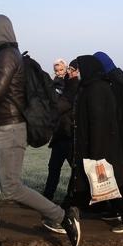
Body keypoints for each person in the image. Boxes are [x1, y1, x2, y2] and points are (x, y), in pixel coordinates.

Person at [0, 14, 80, 246]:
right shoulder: (1, 56)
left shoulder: (7, 56)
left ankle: (63, 216)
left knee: (11, 186)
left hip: (10, 129)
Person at [68, 55, 123, 233]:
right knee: (104, 183)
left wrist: (96, 154)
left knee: (112, 183)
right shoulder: (93, 87)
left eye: (78, 69)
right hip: (100, 146)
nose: (76, 73)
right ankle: (68, 213)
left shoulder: (97, 89)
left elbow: (98, 122)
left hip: (102, 147)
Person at [42, 59, 80, 200]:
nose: (59, 73)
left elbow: (59, 105)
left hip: (68, 132)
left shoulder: (70, 85)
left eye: (62, 70)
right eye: (57, 70)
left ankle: (73, 198)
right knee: (54, 167)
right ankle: (48, 197)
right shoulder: (55, 84)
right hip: (60, 133)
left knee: (72, 169)